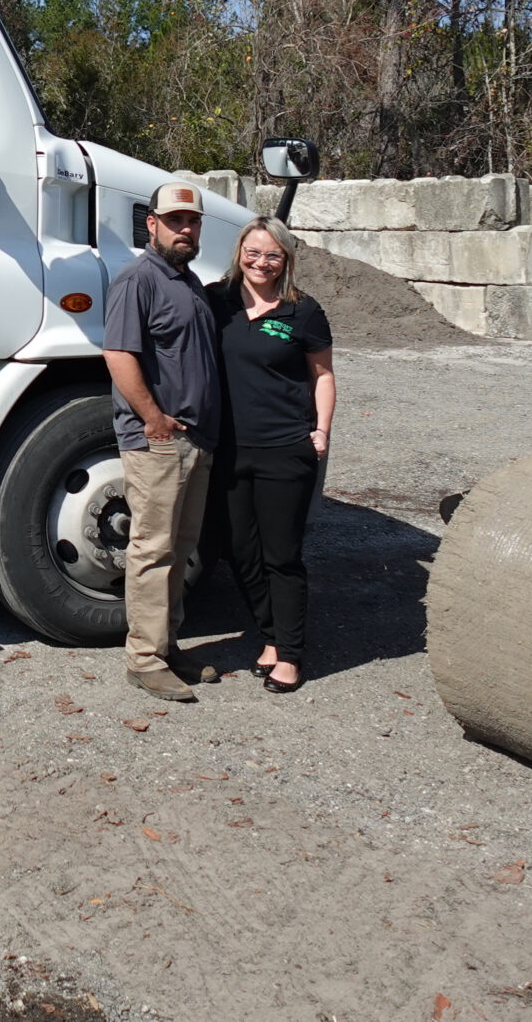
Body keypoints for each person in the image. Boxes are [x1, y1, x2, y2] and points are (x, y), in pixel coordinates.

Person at [100, 181, 225, 703]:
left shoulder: (189, 281)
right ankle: (144, 660)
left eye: (192, 221)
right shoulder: (138, 281)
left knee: (182, 548)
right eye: (174, 221)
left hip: (196, 437)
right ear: (151, 223)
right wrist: (152, 417)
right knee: (152, 549)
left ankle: (168, 647)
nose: (185, 229)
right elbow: (118, 355)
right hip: (159, 441)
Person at [209, 218, 337, 694]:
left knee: (281, 556)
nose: (261, 262)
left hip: (285, 450)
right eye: (253, 251)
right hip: (228, 449)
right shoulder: (215, 300)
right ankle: (269, 634)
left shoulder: (302, 312)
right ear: (240, 250)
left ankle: (290, 654)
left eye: (272, 255)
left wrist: (321, 430)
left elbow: (322, 375)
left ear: (286, 260)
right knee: (241, 551)